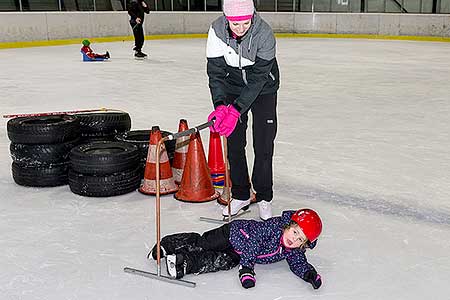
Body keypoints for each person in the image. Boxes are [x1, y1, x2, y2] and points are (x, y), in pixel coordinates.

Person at [206, 0, 280, 220]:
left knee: (263, 144)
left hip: (264, 88)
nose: (240, 29)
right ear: (226, 18)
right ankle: (241, 194)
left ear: (253, 16)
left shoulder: (264, 33)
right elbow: (216, 73)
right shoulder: (216, 31)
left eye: (245, 23)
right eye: (235, 24)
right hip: (232, 85)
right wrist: (220, 105)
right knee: (235, 144)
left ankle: (264, 197)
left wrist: (236, 110)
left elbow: (258, 79)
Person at [148, 209, 323, 290]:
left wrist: (309, 274)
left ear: (304, 244)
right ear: (288, 225)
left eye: (300, 239)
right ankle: (169, 244)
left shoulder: (293, 249)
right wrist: (246, 269)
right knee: (204, 243)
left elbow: (298, 261)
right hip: (233, 233)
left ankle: (183, 262)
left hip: (239, 252)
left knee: (219, 262)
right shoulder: (272, 228)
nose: (293, 239)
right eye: (294, 232)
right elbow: (254, 244)